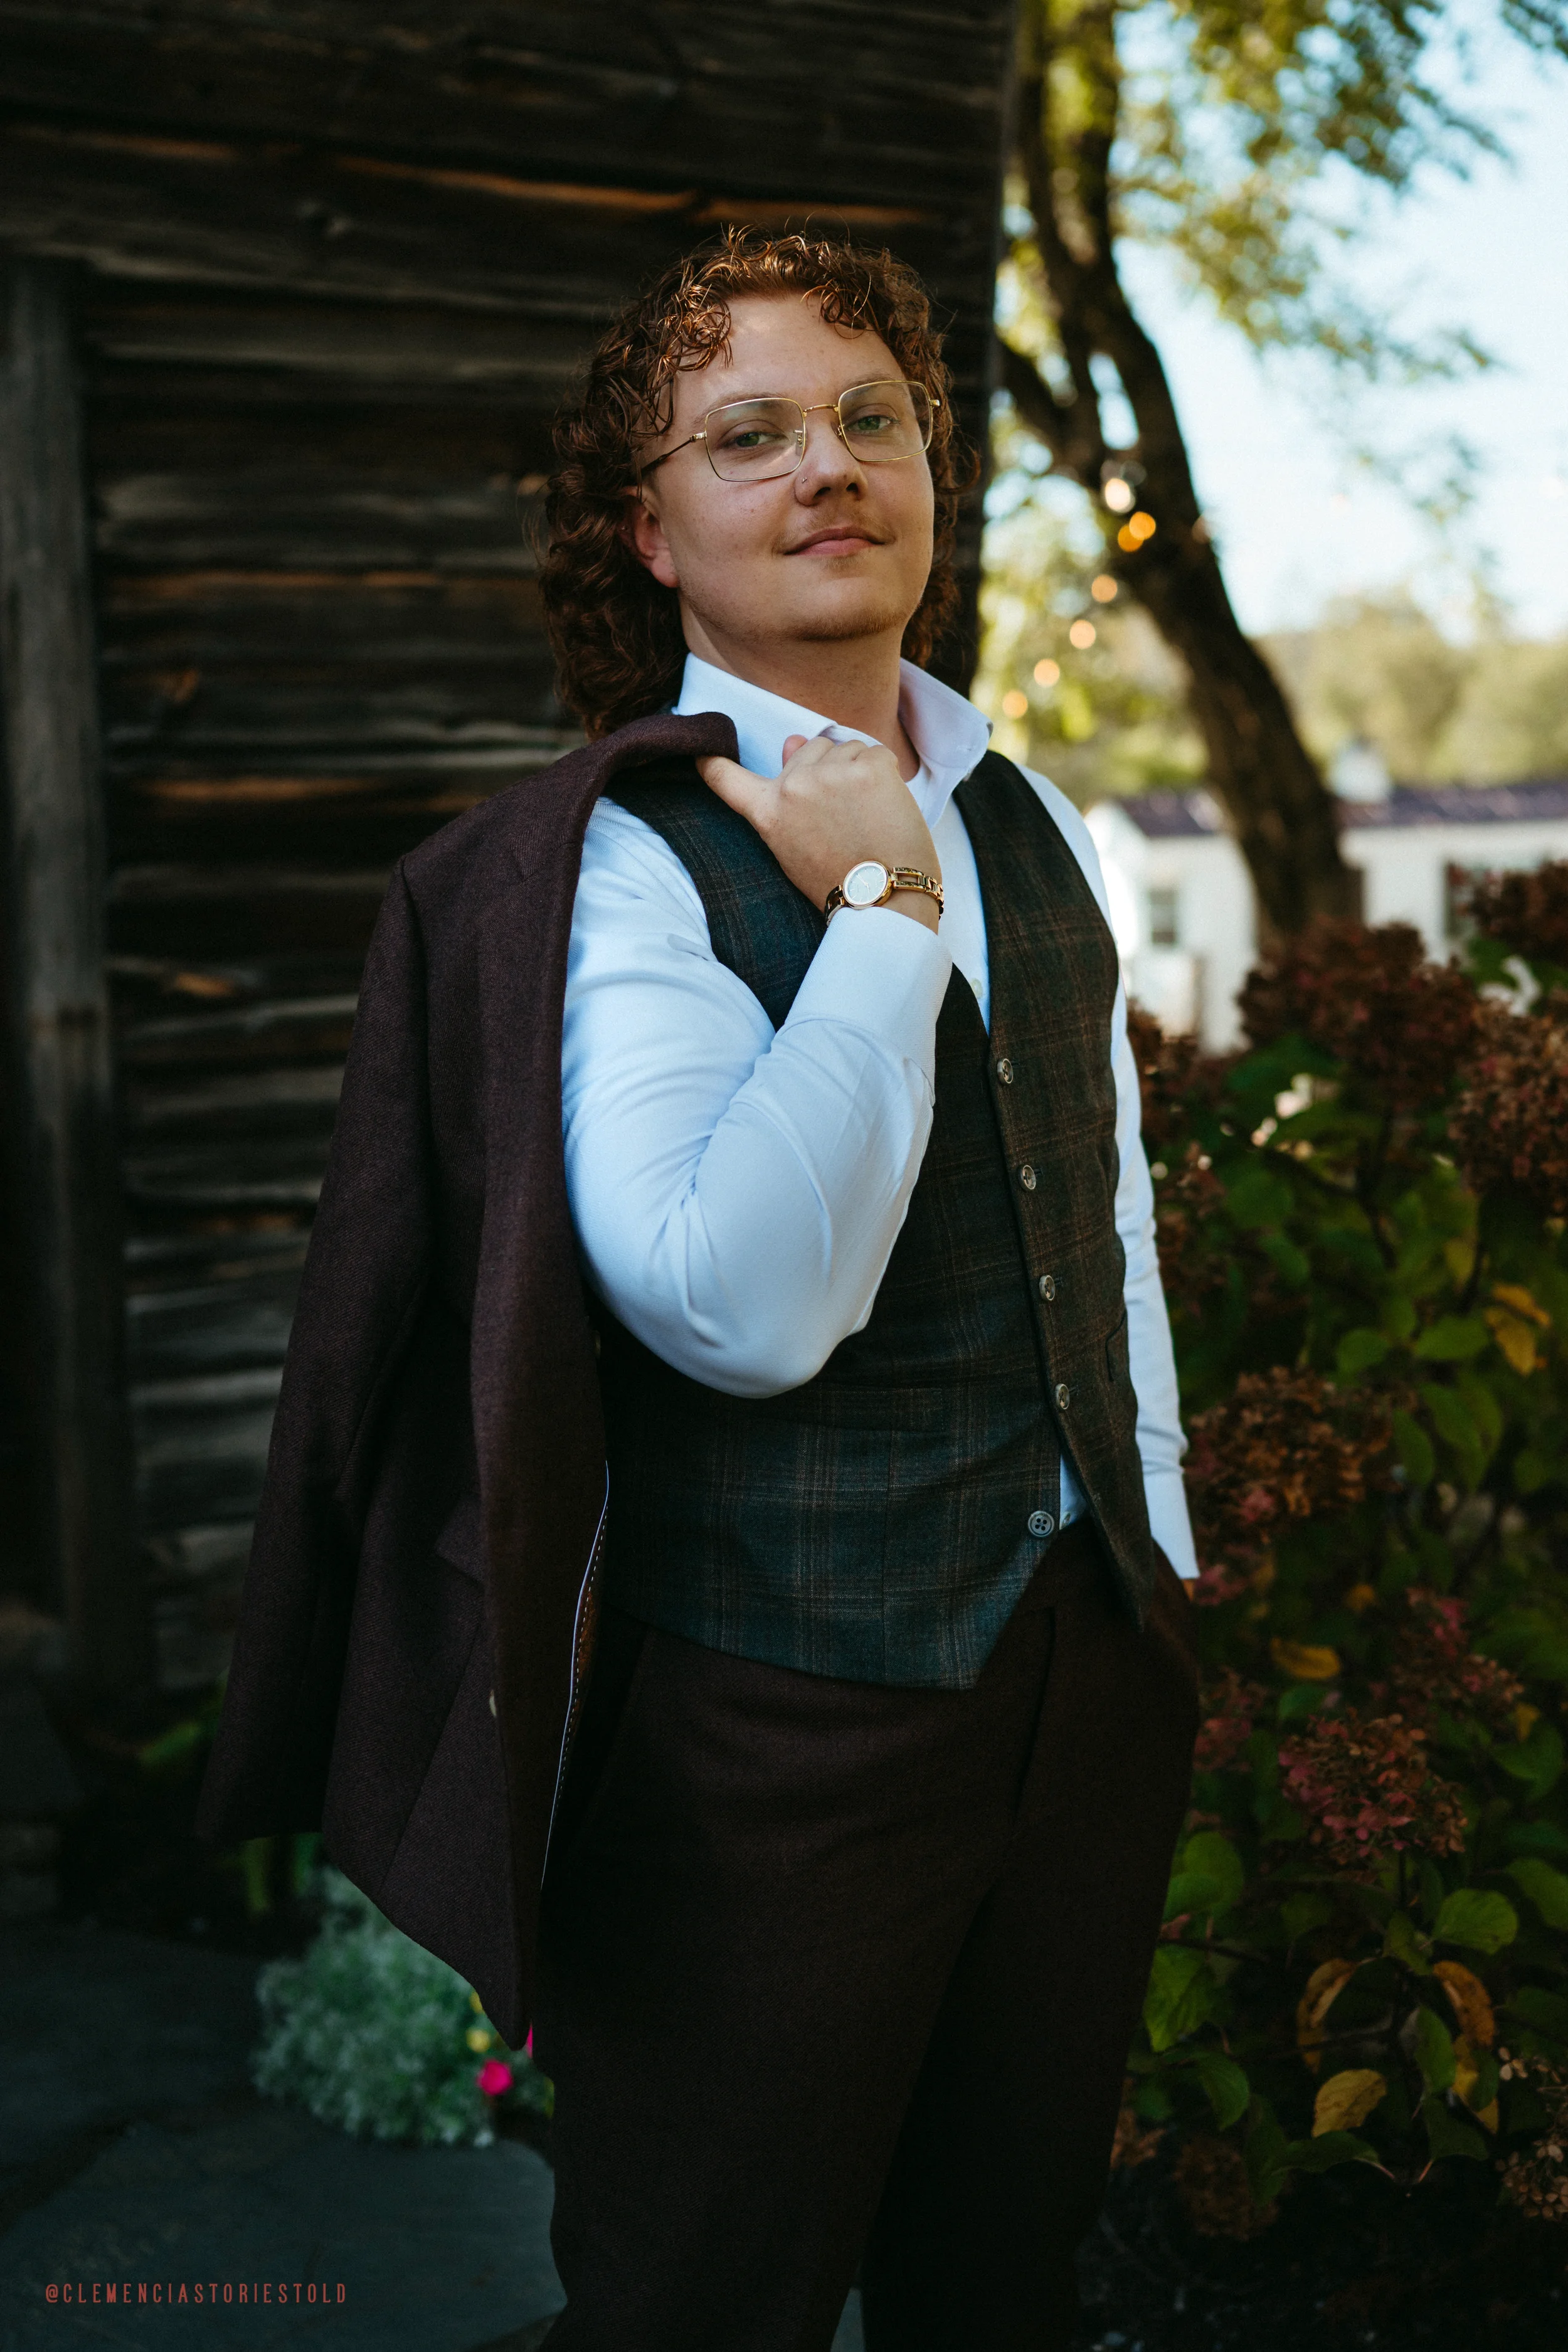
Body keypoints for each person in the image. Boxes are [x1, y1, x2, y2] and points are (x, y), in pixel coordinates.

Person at [196, 228, 1199, 2352]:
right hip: (778, 1724)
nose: (824, 465)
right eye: (745, 435)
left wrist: (1153, 1554)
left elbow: (1096, 1210)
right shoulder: (622, 861)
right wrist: (877, 915)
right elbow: (738, 1306)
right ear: (647, 532)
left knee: (996, 2285)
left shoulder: (1028, 814)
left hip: (1079, 1678)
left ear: (932, 469)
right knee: (696, 2306)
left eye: (868, 418)